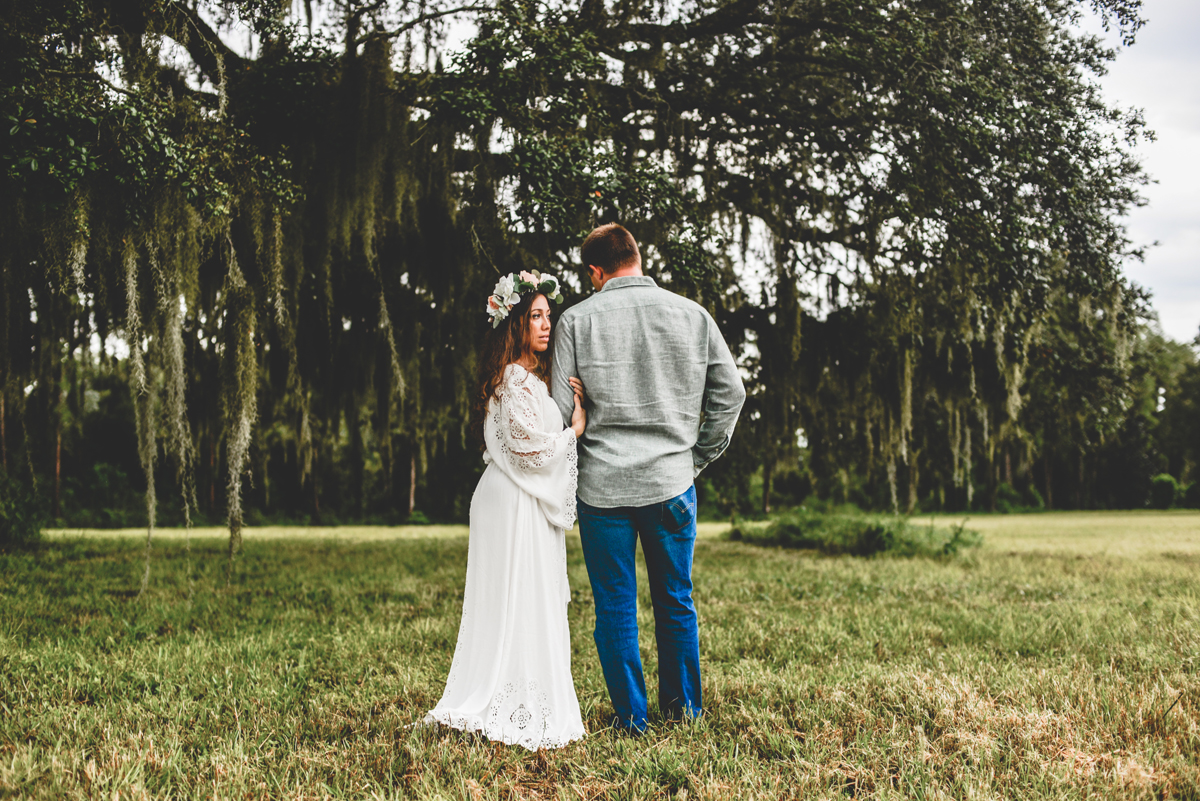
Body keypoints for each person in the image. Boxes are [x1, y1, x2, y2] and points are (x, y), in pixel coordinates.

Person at [551, 223, 746, 733]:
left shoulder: (574, 321)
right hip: (672, 483)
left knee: (615, 604)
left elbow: (556, 409)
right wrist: (696, 457)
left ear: (595, 270)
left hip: (602, 489)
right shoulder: (692, 314)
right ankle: (684, 712)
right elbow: (732, 396)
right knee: (675, 599)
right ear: (637, 257)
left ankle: (632, 718)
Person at [424, 270, 588, 750]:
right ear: (515, 322)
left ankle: (519, 686)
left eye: (548, 315)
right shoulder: (514, 382)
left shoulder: (526, 380)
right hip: (514, 500)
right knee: (514, 597)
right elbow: (530, 451)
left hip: (521, 498)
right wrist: (574, 431)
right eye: (535, 316)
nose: (546, 324)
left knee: (525, 598)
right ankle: (504, 694)